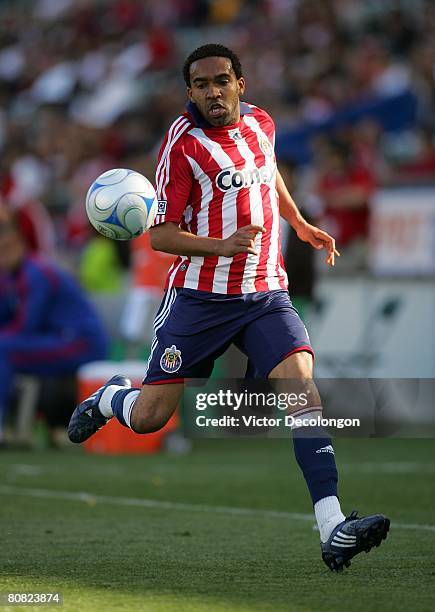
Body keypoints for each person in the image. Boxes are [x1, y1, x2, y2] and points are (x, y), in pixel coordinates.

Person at [68, 44, 389, 571]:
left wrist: (300, 222)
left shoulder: (262, 122)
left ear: (240, 83)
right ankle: (111, 399)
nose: (213, 92)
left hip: (265, 292)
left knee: (301, 388)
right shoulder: (182, 146)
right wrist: (220, 246)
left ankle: (333, 527)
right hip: (199, 298)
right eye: (201, 84)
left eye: (222, 81)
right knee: (150, 418)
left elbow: (268, 174)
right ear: (190, 92)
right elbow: (161, 237)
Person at [0, 207, 108, 442]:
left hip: (81, 342)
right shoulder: (10, 276)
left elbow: (26, 325)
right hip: (56, 339)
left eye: (7, 245)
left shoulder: (37, 272)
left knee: (3, 348)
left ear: (21, 242)